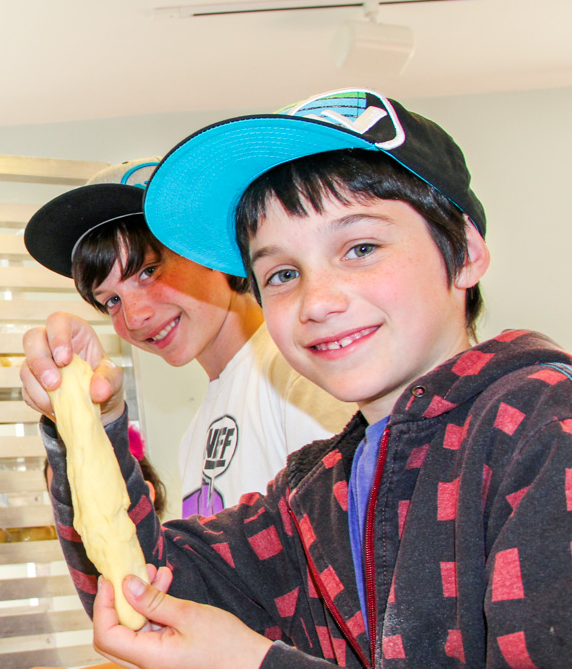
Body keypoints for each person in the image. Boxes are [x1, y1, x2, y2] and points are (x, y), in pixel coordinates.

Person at [43, 89, 572, 668]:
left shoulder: (546, 429)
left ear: (465, 252)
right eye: (284, 273)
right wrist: (89, 417)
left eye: (361, 247)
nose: (316, 301)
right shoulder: (314, 492)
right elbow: (139, 590)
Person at [21, 158, 353, 518]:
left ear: (208, 248)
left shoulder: (303, 372)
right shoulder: (195, 436)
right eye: (112, 301)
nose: (135, 317)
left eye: (148, 271)